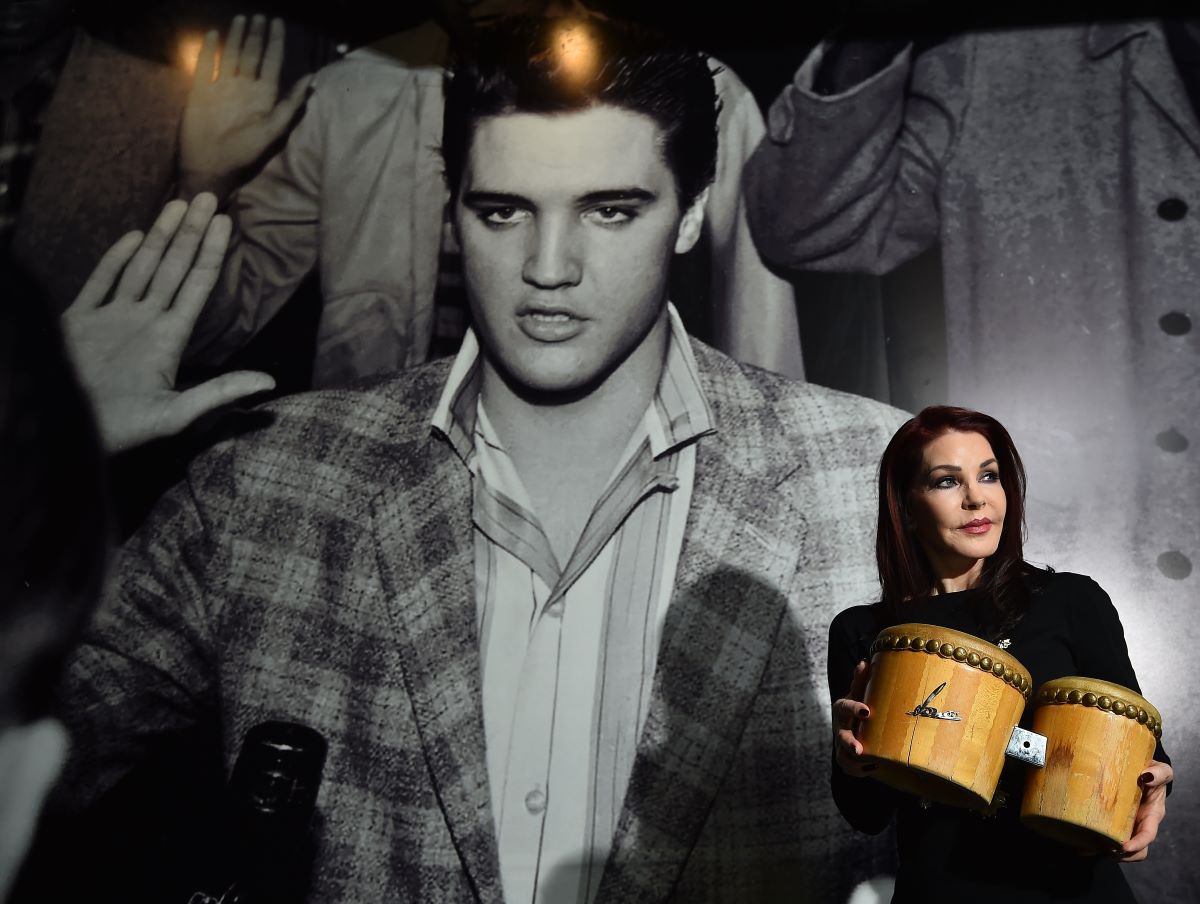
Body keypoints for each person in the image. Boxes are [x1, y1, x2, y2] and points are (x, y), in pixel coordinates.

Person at [41, 16, 907, 903]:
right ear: (452, 207)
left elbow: (1035, 770)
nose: (549, 266)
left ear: (689, 213)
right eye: (503, 211)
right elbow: (34, 751)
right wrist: (33, 462)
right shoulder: (263, 485)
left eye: (610, 210)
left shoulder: (878, 483)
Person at [178, 1, 805, 387]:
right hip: (392, 477)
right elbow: (218, 329)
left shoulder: (689, 88)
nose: (548, 266)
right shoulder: (354, 91)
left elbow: (761, 332)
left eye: (609, 209)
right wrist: (206, 180)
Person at [827, 405, 1173, 903]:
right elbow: (866, 815)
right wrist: (851, 761)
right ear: (906, 504)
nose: (976, 499)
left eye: (989, 476)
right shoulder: (865, 631)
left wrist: (1156, 782)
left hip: (1074, 891)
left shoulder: (1070, 600)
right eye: (947, 482)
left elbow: (1141, 749)